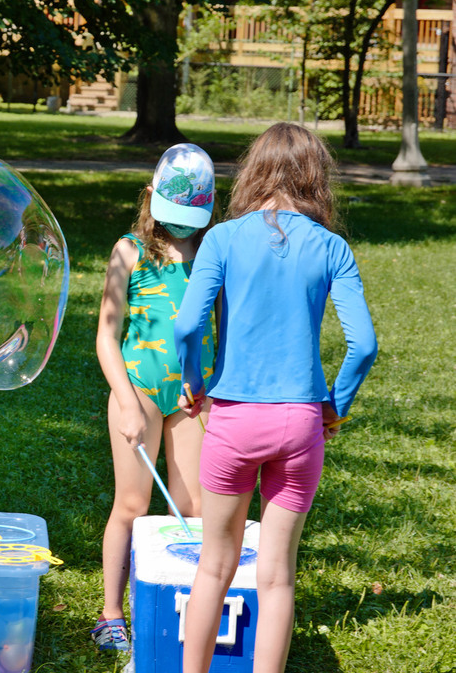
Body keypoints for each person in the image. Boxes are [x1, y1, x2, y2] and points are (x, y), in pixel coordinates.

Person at [174, 123, 378, 673]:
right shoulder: (332, 247)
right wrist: (336, 405)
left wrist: (193, 382)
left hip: (233, 421)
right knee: (278, 576)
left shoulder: (221, 239)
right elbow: (363, 345)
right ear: (316, 177)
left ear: (254, 171)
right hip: (301, 423)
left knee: (214, 567)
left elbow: (186, 326)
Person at [92, 144, 217, 651]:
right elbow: (106, 335)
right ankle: (110, 612)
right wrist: (125, 401)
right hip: (139, 389)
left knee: (193, 507)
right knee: (132, 503)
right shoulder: (129, 250)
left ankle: (179, 605)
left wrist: (213, 387)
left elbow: (225, 327)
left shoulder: (213, 252)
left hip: (193, 395)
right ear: (150, 197)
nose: (181, 227)